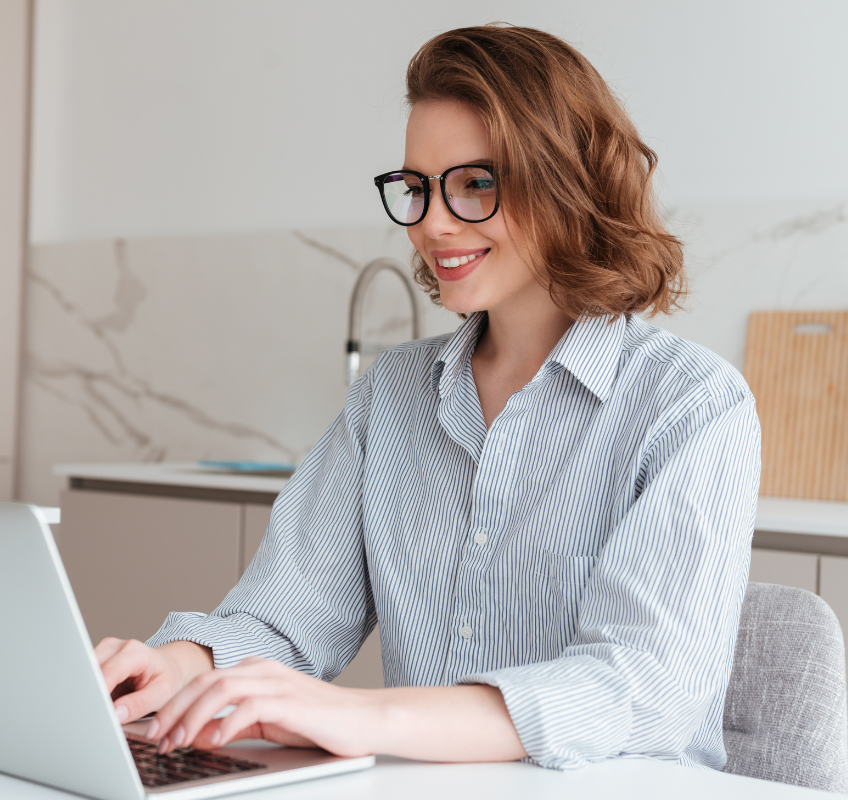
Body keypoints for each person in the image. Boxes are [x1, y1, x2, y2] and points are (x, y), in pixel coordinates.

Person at [94, 25, 760, 770]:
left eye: (477, 183)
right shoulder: (393, 394)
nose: (433, 223)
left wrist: (362, 716)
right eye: (417, 187)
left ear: (568, 184)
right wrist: (183, 664)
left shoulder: (692, 406)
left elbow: (637, 690)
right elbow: (283, 618)